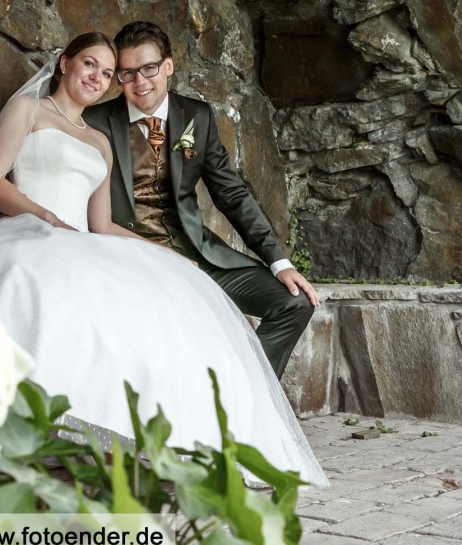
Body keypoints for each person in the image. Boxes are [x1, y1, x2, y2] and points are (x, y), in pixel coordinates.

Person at [0, 32, 326, 486]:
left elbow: (117, 221)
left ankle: (239, 416)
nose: (109, 80)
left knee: (276, 305)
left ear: (168, 66)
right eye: (98, 68)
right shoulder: (45, 112)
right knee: (51, 290)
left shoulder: (129, 132)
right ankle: (47, 434)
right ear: (65, 63)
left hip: (127, 244)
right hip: (35, 233)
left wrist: (175, 257)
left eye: (110, 73)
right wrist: (44, 216)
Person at [84, 22, 318, 380]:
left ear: (168, 66)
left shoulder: (197, 116)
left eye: (148, 68)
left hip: (197, 254)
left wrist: (279, 261)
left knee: (293, 302)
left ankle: (245, 396)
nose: (140, 81)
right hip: (133, 256)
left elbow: (232, 194)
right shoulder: (96, 122)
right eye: (127, 73)